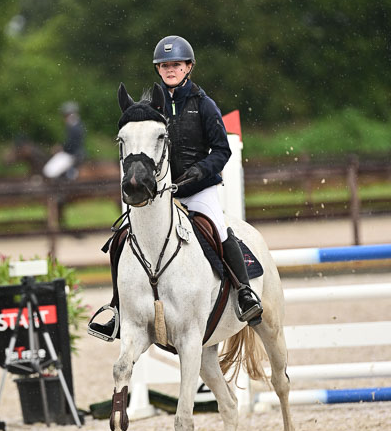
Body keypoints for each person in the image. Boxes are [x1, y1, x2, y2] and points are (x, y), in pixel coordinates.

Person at [88, 35, 262, 341]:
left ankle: (244, 292)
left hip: (198, 189)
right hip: (158, 195)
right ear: (158, 69)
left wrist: (199, 171)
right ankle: (117, 308)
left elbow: (222, 150)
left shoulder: (203, 105)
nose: (170, 70)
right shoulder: (150, 108)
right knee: (121, 239)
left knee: (219, 231)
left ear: (188, 67)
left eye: (176, 65)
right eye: (165, 65)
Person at [42, 102, 85, 180]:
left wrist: (61, 148)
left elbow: (72, 143)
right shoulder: (76, 125)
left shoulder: (73, 126)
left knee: (49, 171)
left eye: (65, 115)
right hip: (74, 152)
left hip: (72, 154)